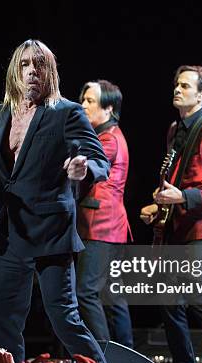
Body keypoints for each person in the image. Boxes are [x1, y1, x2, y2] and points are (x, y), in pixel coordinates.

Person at [0, 39, 122, 363]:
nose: (32, 71)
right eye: (25, 64)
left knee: (66, 321)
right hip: (12, 233)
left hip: (51, 232)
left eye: (39, 65)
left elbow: (99, 159)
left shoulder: (66, 113)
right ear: (15, 70)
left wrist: (83, 168)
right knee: (5, 324)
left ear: (50, 71)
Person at [140, 65, 202, 363]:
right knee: (169, 302)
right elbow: (178, 180)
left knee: (201, 300)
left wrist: (181, 197)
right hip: (178, 230)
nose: (177, 89)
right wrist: (160, 206)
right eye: (176, 84)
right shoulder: (174, 129)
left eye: (185, 86)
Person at [76, 79, 133, 348]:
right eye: (83, 99)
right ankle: (124, 353)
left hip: (100, 227)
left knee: (86, 293)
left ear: (108, 110)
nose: (82, 105)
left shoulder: (107, 140)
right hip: (111, 228)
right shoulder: (109, 136)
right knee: (112, 295)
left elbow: (87, 167)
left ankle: (104, 356)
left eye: (90, 101)